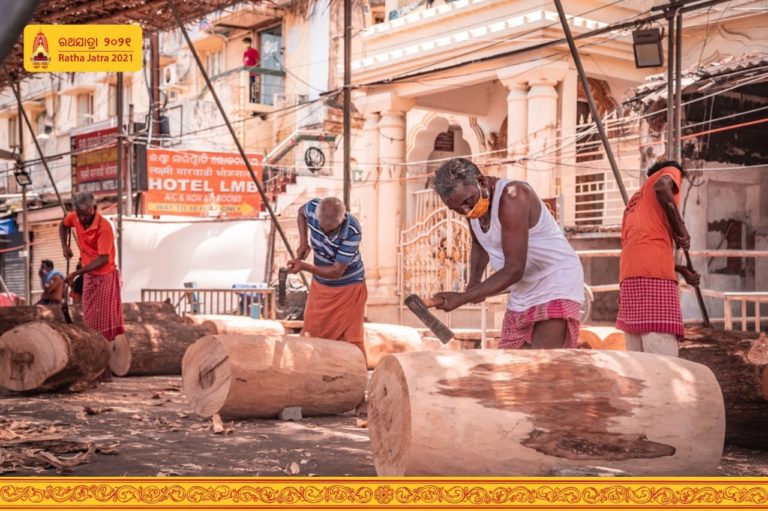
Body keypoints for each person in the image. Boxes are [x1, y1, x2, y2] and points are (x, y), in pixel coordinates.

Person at [431, 157, 584, 349]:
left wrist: (462, 298)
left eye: (467, 202)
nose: (466, 210)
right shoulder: (473, 207)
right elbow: (479, 243)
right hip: (522, 291)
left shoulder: (513, 196)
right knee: (512, 367)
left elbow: (514, 269)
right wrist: (474, 283)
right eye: (457, 209)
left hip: (555, 283)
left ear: (481, 181)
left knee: (543, 367)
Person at [616, 160, 700, 357]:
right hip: (654, 280)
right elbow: (662, 187)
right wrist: (681, 228)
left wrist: (680, 269)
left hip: (629, 280)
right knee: (664, 365)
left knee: (639, 364)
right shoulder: (671, 172)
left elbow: (643, 248)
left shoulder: (635, 201)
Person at [287, 197, 367, 358]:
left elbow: (337, 271)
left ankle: (356, 378)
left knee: (351, 340)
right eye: (322, 228)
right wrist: (304, 242)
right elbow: (301, 213)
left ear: (341, 220)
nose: (325, 233)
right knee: (312, 334)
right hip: (321, 286)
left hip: (349, 286)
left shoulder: (352, 231)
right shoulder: (313, 207)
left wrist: (305, 266)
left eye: (330, 230)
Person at [60, 192, 124, 345]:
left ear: (93, 208)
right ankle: (95, 346)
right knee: (89, 316)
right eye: (80, 215)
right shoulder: (75, 217)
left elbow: (103, 258)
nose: (82, 219)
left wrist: (76, 273)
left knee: (102, 319)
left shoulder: (104, 227)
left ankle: (106, 347)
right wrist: (64, 245)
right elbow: (63, 225)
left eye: (86, 215)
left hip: (104, 276)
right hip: (89, 275)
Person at [242, 36, 260, 103]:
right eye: (244, 43)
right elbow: (244, 63)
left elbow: (257, 62)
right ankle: (248, 101)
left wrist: (255, 70)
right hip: (247, 74)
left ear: (249, 43)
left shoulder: (254, 51)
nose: (244, 44)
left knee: (253, 87)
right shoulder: (245, 53)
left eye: (246, 43)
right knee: (247, 88)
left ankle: (253, 101)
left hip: (253, 74)